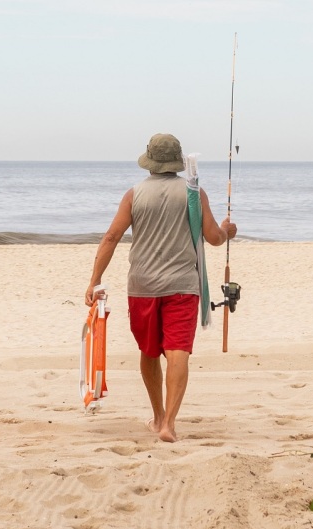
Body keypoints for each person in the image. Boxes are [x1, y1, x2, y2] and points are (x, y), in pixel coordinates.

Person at [85, 133, 237, 443]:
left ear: (150, 162)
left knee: (149, 351)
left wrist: (94, 280)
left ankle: (156, 416)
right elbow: (213, 237)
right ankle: (169, 423)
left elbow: (111, 238)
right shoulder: (194, 193)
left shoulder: (134, 194)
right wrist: (227, 230)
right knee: (178, 350)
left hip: (142, 285)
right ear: (178, 162)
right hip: (182, 284)